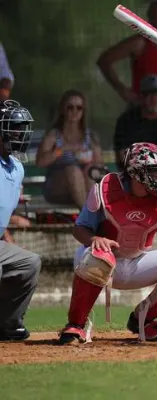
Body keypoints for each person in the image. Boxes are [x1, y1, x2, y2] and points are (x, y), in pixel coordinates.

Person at [58, 142, 157, 344]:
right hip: (100, 260)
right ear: (136, 172)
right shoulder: (106, 190)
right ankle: (76, 324)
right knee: (98, 259)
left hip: (137, 262)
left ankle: (142, 320)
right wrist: (94, 239)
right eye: (154, 171)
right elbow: (79, 228)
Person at [0, 99, 41, 341]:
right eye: (12, 128)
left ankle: (8, 323)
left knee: (29, 263)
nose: (18, 133)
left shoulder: (17, 168)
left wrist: (8, 240)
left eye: (21, 128)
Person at [36, 89, 104, 210]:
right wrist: (62, 149)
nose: (74, 111)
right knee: (72, 170)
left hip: (84, 185)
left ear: (83, 111)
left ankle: (91, 212)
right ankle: (89, 216)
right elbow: (40, 162)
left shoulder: (90, 136)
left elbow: (100, 166)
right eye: (70, 107)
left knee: (90, 170)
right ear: (63, 109)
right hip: (58, 187)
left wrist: (88, 160)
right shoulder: (54, 135)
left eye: (79, 108)